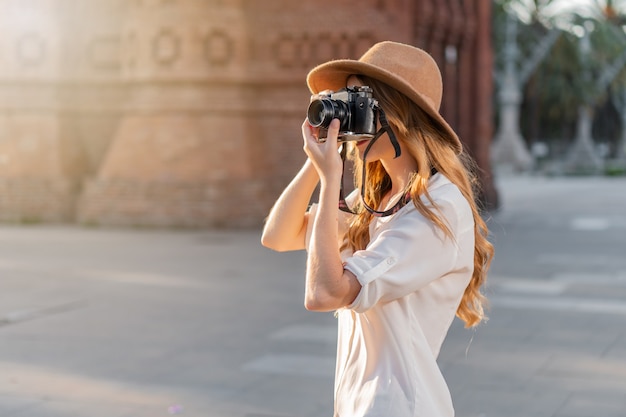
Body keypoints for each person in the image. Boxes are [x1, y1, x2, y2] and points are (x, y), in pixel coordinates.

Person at [261, 41, 493, 417]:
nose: (350, 117)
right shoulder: (380, 199)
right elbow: (278, 235)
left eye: (361, 105)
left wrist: (329, 178)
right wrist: (319, 159)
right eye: (347, 102)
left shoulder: (439, 208)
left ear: (401, 115)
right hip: (360, 404)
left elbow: (323, 293)